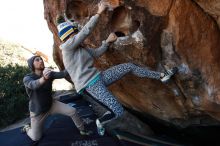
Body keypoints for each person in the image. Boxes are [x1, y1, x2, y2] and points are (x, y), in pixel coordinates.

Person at [56, 2, 177, 135]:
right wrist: (99, 13)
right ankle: (101, 122)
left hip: (99, 77)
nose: (77, 34)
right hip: (90, 85)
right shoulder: (67, 48)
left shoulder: (80, 49)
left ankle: (161, 76)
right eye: (74, 34)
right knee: (118, 111)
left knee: (129, 67)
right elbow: (85, 32)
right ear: (69, 36)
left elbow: (96, 53)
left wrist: (107, 42)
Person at [22, 55, 92, 142]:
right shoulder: (27, 78)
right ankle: (27, 127)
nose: (41, 61)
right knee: (36, 137)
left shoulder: (49, 74)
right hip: (38, 111)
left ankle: (82, 130)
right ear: (32, 65)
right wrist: (44, 78)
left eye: (41, 59)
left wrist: (74, 63)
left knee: (72, 111)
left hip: (51, 104)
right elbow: (33, 85)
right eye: (37, 60)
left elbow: (63, 74)